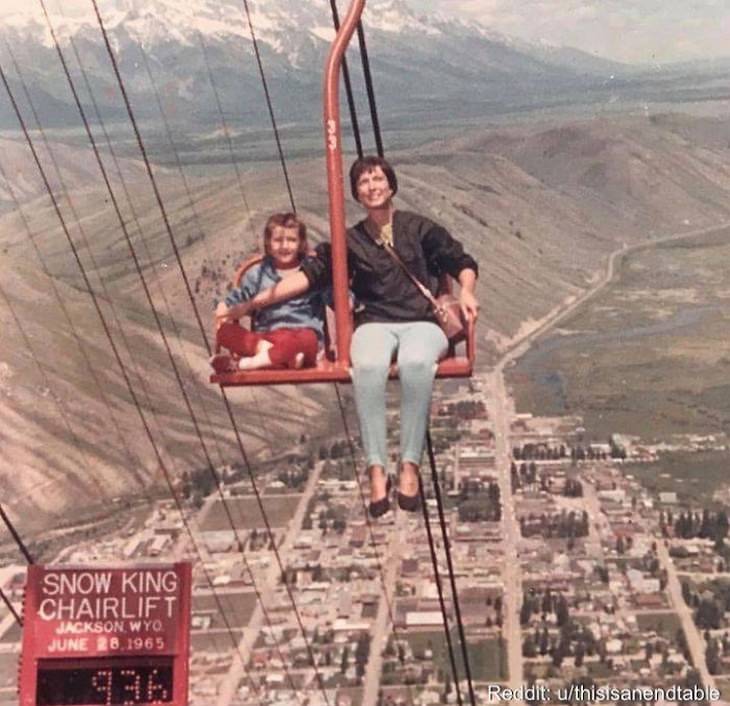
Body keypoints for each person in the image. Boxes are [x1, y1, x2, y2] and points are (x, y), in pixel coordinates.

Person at [216, 157, 479, 516]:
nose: (372, 187)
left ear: (391, 185)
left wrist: (466, 291)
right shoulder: (350, 240)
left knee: (417, 362)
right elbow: (308, 276)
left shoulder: (419, 229)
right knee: (367, 364)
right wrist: (252, 303)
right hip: (374, 323)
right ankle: (375, 468)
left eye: (377, 179)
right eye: (363, 182)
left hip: (422, 323)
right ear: (356, 193)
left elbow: (460, 260)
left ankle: (409, 466)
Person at [212, 212, 323, 372]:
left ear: (301, 243)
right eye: (278, 240)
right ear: (269, 244)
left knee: (307, 339)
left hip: (301, 333)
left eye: (291, 240)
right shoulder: (257, 274)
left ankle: (247, 364)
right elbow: (239, 298)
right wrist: (225, 305)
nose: (285, 246)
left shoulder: (312, 271)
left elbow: (335, 295)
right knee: (224, 332)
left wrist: (348, 299)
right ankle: (281, 357)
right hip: (267, 336)